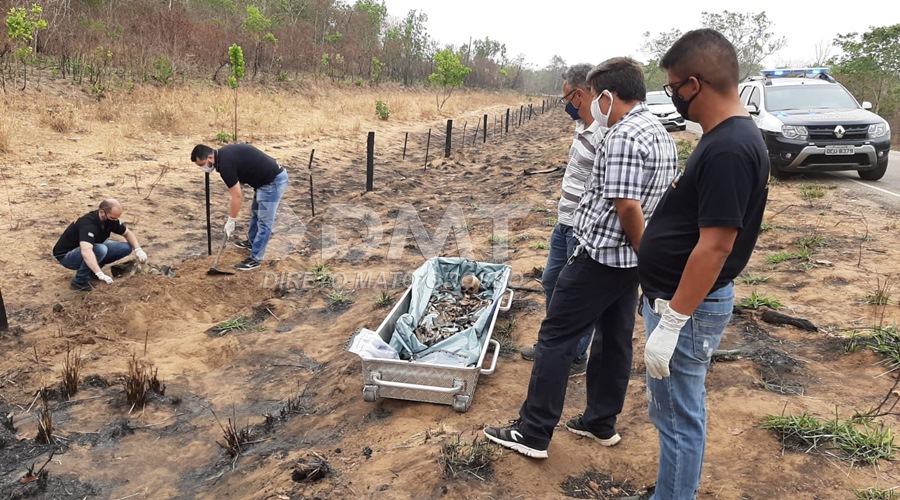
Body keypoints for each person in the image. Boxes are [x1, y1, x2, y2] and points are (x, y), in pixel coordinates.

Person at [484, 57, 678, 459]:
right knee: (614, 340)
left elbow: (627, 207)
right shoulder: (659, 131)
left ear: (606, 96)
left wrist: (646, 255)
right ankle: (599, 422)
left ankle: (533, 431)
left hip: (602, 257)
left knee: (555, 338)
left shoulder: (623, 135)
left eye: (596, 98)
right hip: (626, 265)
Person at [640, 28, 769, 499]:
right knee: (674, 412)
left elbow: (715, 247)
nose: (673, 96)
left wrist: (673, 322)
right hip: (679, 301)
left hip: (686, 309)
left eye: (674, 86)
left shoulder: (731, 148)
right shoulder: (723, 138)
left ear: (694, 84)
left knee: (677, 419)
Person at [519, 63, 602, 378]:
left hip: (582, 231)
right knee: (552, 282)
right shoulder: (581, 125)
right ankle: (553, 345)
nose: (564, 103)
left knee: (577, 296)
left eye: (566, 97)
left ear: (579, 94)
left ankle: (575, 356)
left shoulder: (605, 133)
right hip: (563, 223)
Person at [191, 143, 289, 271]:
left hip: (272, 181)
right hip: (263, 181)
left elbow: (237, 196)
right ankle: (252, 242)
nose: (202, 168)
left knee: (264, 222)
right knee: (255, 213)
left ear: (210, 157)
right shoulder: (223, 155)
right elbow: (239, 180)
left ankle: (256, 259)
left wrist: (231, 220)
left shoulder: (225, 165)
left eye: (201, 164)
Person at [52, 199, 148, 291]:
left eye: (117, 218)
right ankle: (79, 281)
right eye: (113, 218)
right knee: (100, 249)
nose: (116, 221)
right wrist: (99, 273)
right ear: (102, 212)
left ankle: (92, 273)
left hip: (92, 246)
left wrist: (138, 249)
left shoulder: (111, 219)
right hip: (67, 256)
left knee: (125, 248)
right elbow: (86, 251)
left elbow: (127, 233)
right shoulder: (88, 224)